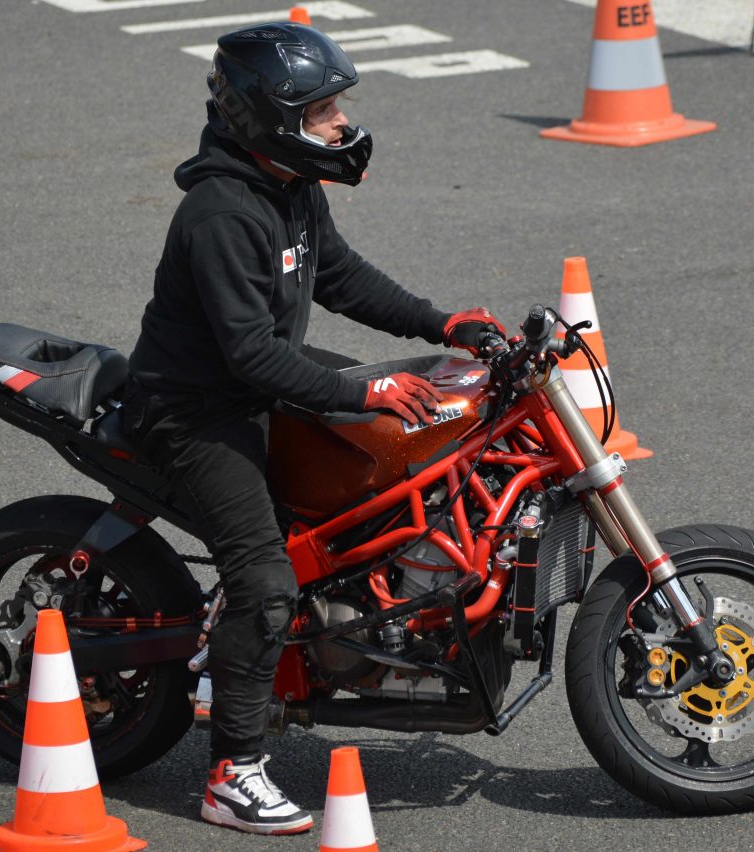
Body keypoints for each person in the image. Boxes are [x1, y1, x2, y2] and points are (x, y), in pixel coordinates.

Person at [122, 21, 504, 836]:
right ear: (271, 118)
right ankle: (232, 773)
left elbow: (339, 276)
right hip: (195, 412)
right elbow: (252, 354)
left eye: (339, 106)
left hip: (255, 387)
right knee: (267, 581)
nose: (341, 124)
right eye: (323, 109)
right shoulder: (221, 214)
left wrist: (443, 326)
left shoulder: (291, 186)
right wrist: (360, 394)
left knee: (381, 474)